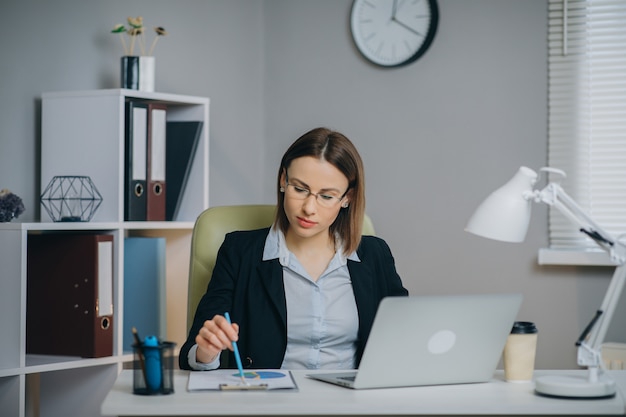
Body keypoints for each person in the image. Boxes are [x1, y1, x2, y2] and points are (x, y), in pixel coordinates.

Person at [179, 127, 408, 371]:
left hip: (351, 403)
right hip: (270, 400)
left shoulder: (375, 254)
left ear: (347, 198)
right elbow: (191, 353)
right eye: (299, 189)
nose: (309, 208)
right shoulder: (239, 252)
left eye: (327, 196)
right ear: (283, 181)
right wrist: (206, 350)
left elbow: (405, 337)